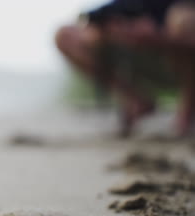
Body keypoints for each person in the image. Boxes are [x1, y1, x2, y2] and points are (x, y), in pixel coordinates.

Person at [55, 0, 195, 137]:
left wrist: (160, 35)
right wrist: (104, 26)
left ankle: (187, 112)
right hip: (138, 52)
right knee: (66, 35)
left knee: (183, 19)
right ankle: (136, 101)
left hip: (176, 49)